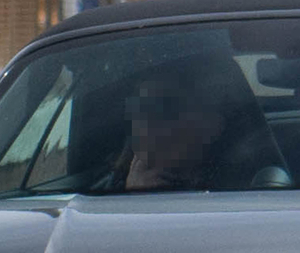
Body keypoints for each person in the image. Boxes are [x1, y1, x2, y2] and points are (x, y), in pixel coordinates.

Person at [108, 52, 288, 192]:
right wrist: (134, 196)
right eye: (140, 110)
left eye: (165, 108)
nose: (146, 122)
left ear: (212, 126)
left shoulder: (246, 194)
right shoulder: (106, 196)